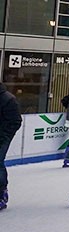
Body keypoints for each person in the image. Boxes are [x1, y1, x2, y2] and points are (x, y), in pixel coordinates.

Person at [0, 80, 21, 210]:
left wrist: (3, 136)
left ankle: (2, 192)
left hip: (2, 137)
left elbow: (15, 121)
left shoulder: (8, 99)